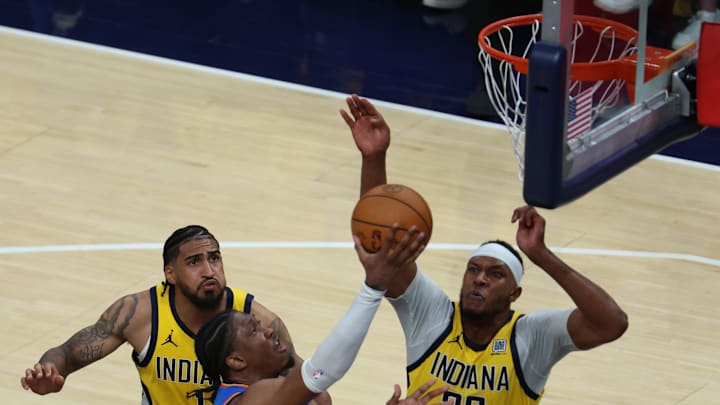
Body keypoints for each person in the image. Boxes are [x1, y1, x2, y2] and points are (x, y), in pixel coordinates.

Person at [340, 94, 629, 404]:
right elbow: (385, 250)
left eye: (495, 274)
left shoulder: (530, 337)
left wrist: (541, 255)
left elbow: (612, 323)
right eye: (474, 270)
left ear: (514, 294)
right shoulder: (433, 316)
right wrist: (374, 157)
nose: (479, 279)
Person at [20, 225, 328, 404]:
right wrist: (49, 371)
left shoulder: (258, 322)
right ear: (171, 273)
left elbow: (313, 391)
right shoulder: (138, 313)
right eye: (194, 262)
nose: (209, 270)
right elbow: (66, 354)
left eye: (215, 258)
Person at [192, 225, 451, 404]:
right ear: (236, 361)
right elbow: (321, 371)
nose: (269, 330)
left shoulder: (280, 390)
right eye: (254, 330)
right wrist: (372, 289)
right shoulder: (248, 400)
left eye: (259, 325)